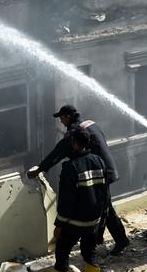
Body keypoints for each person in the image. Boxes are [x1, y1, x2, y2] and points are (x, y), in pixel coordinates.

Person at [28, 104, 130, 255]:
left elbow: (59, 151)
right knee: (102, 207)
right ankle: (100, 239)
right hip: (104, 169)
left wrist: (40, 168)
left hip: (99, 172)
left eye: (62, 118)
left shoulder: (76, 131)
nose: (61, 122)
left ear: (67, 117)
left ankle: (120, 241)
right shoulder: (90, 124)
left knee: (105, 208)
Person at [45, 128, 108, 272]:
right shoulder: (99, 161)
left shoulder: (70, 167)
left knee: (62, 252)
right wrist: (102, 218)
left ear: (75, 143)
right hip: (93, 220)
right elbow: (104, 192)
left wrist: (59, 224)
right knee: (89, 252)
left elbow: (66, 201)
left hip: (74, 222)